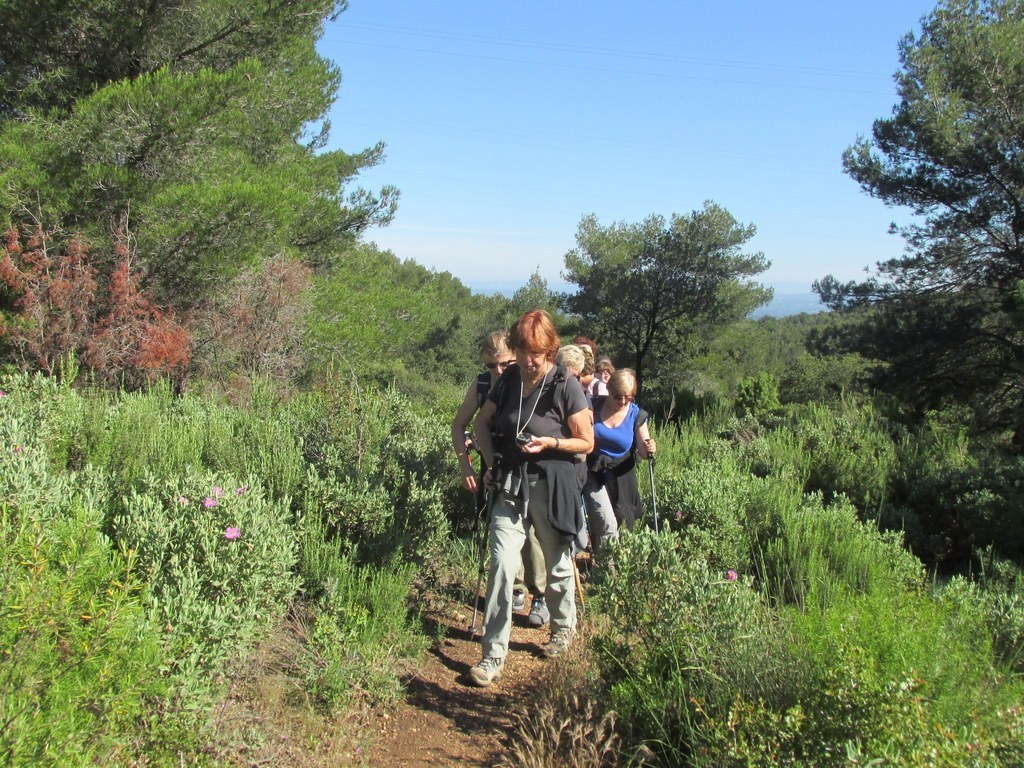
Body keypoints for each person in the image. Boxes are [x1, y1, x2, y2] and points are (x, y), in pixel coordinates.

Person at [469, 310, 594, 687]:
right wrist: (490, 461)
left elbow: (586, 442)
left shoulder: (564, 385)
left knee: (557, 562)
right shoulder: (506, 381)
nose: (528, 359)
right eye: (523, 350)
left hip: (552, 482)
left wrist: (552, 443)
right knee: (502, 566)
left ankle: (562, 630)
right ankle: (492, 656)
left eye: (536, 352)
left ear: (551, 351)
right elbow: (480, 423)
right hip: (509, 482)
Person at [451, 332, 546, 618]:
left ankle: (539, 592)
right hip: (492, 465)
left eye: (504, 363)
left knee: (531, 532)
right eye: (492, 365)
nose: (498, 370)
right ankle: (515, 589)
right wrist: (465, 465)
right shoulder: (481, 385)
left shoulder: (525, 383)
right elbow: (459, 425)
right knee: (500, 529)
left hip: (525, 465)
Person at [584, 368, 656, 557]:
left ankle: (622, 566)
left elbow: (642, 449)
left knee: (623, 522)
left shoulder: (636, 415)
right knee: (604, 522)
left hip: (623, 476)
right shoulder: (593, 406)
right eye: (618, 397)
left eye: (629, 397)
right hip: (595, 473)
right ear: (608, 389)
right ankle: (605, 570)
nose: (623, 402)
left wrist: (649, 449)